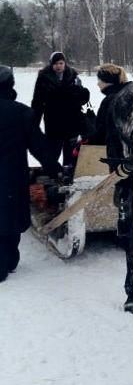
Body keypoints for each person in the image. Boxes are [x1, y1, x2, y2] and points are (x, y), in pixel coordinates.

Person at [0, 65, 62, 283]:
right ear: (11, 84)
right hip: (11, 176)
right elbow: (40, 147)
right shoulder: (22, 113)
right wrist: (55, 169)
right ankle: (8, 260)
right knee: (9, 217)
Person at [31, 52, 90, 165]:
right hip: (53, 121)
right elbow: (37, 102)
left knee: (70, 154)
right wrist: (34, 123)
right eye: (55, 64)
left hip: (71, 121)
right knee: (52, 152)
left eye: (61, 63)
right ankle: (53, 175)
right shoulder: (44, 78)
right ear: (51, 64)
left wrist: (77, 93)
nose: (58, 66)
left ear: (65, 63)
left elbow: (82, 99)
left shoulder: (73, 76)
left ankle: (68, 176)